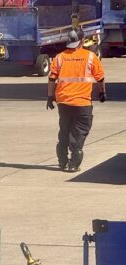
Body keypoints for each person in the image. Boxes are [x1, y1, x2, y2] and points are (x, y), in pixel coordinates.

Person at [47, 29, 106, 172]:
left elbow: (52, 79)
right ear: (82, 41)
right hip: (82, 103)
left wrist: (50, 97)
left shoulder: (60, 57)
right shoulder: (90, 57)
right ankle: (73, 164)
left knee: (64, 131)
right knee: (79, 132)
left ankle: (62, 161)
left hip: (64, 102)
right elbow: (100, 78)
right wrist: (102, 92)